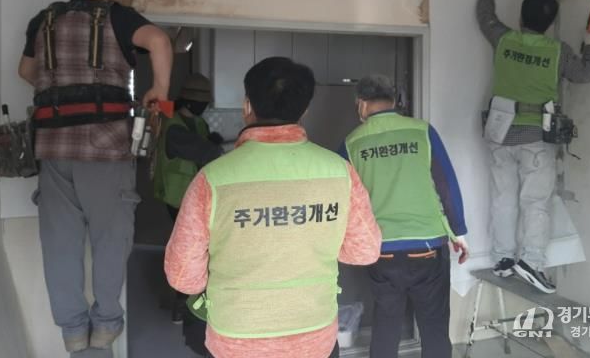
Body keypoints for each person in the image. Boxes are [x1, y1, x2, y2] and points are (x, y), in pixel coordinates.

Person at [165, 56, 382, 358]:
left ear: (247, 106)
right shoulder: (339, 172)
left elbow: (183, 277)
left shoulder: (211, 179)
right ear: (304, 111)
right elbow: (364, 251)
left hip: (237, 341)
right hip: (314, 338)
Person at [17, 0, 173, 353]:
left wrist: (63, 86)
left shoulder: (45, 19)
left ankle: (73, 334)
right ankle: (105, 328)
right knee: (110, 241)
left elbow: (26, 71)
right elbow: (158, 40)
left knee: (60, 246)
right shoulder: (116, 15)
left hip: (52, 148)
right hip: (104, 150)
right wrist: (159, 90)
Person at [476, 0, 590, 293]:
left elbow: (485, 17)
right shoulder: (558, 51)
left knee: (503, 197)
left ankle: (503, 258)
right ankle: (531, 262)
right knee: (535, 201)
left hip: (500, 132)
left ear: (521, 18)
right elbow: (586, 74)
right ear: (550, 22)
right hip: (536, 137)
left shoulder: (504, 39)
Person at [339, 74, 469, 358]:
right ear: (395, 100)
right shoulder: (422, 131)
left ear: (361, 104)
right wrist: (459, 232)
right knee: (434, 328)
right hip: (427, 246)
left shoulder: (351, 143)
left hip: (381, 250)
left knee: (386, 325)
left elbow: (343, 198)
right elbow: (446, 184)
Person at [153, 72, 223, 346]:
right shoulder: (174, 126)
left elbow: (205, 147)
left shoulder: (197, 122)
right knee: (191, 252)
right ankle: (183, 305)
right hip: (178, 198)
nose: (204, 106)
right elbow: (203, 151)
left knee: (199, 250)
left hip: (195, 198)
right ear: (192, 101)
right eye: (202, 101)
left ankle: (191, 301)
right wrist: (213, 146)